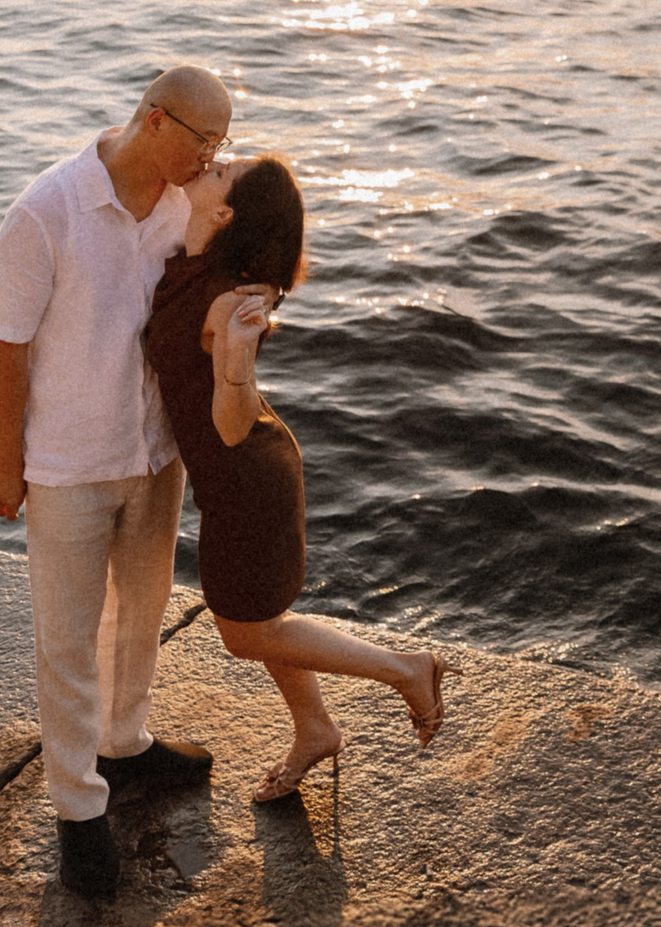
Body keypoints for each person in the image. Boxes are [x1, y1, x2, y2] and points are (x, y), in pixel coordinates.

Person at [0, 65, 251, 901]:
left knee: (142, 611)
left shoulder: (178, 205)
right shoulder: (46, 210)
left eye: (221, 146)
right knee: (66, 638)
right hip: (67, 463)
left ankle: (126, 745)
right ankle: (77, 808)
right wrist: (6, 460)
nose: (213, 159)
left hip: (153, 453)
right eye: (207, 142)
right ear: (157, 122)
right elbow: (7, 344)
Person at [143, 154, 456, 802]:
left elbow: (230, 425)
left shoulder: (228, 300)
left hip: (246, 478)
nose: (212, 163)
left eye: (222, 170)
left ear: (224, 211)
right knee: (263, 617)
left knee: (246, 632)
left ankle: (408, 670)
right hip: (242, 473)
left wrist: (234, 360)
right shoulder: (196, 259)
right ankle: (315, 727)